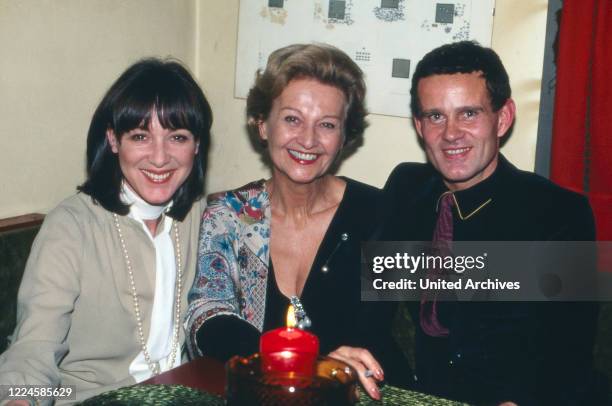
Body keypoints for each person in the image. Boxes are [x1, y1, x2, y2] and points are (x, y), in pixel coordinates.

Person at [381, 41, 607, 405]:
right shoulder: (406, 189)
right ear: (419, 126)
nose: (451, 133)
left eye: (468, 113)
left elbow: (569, 350)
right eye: (435, 116)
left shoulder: (558, 213)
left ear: (502, 118)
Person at [185, 43, 409, 400]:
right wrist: (305, 365)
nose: (308, 139)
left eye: (327, 125)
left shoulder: (378, 214)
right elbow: (207, 317)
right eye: (292, 119)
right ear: (262, 125)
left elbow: (392, 329)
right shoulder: (230, 214)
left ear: (344, 137)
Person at [0, 58, 212, 405]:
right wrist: (20, 398)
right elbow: (33, 347)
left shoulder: (202, 216)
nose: (160, 158)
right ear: (113, 140)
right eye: (140, 136)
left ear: (197, 145)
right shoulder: (71, 226)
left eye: (177, 137)